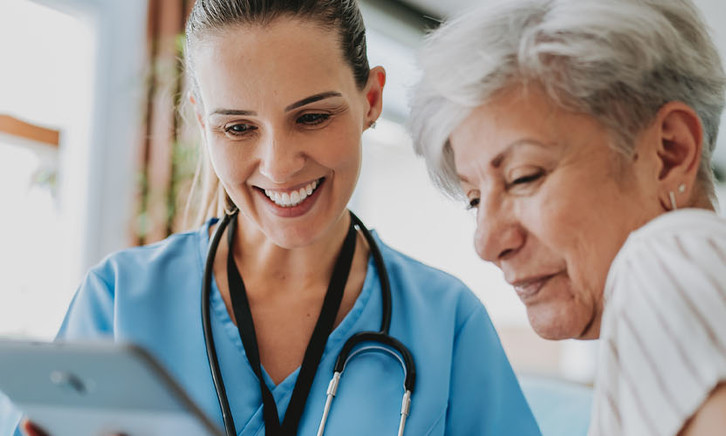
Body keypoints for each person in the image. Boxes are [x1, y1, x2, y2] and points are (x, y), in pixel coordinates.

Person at [1, 1, 542, 435]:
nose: (280, 165)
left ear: (371, 99)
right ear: (201, 123)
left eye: (312, 116)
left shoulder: (447, 323)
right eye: (238, 128)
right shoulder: (119, 299)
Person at [409, 0, 726, 435]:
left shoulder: (666, 256)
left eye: (524, 177)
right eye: (476, 199)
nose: (486, 242)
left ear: (669, 152)